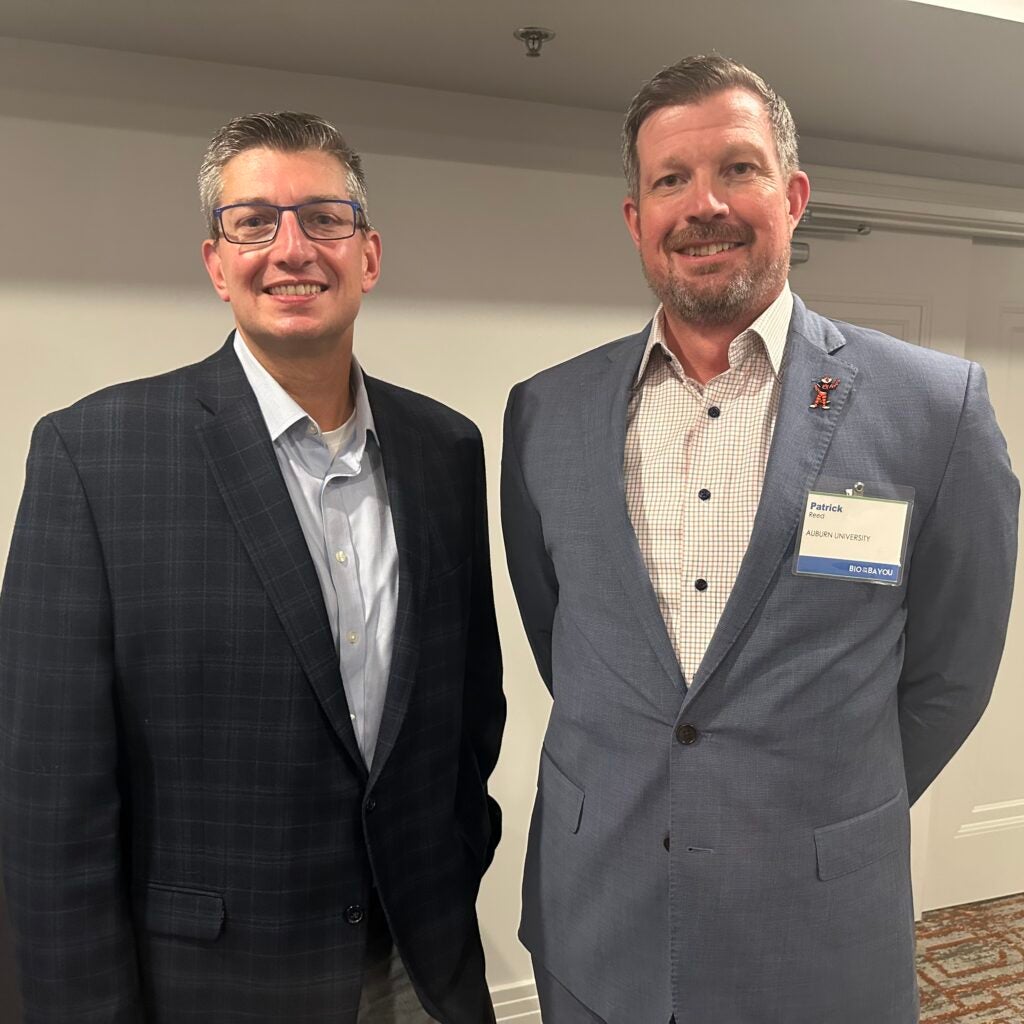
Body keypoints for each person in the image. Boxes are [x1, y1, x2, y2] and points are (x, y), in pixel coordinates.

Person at [501, 55, 1018, 1024]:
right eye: (669, 180)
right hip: (597, 915)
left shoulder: (933, 410)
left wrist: (823, 787)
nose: (703, 205)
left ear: (792, 195)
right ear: (634, 218)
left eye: (736, 169)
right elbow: (562, 635)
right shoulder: (544, 412)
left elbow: (951, 672)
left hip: (817, 927)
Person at [0, 111, 505, 1024]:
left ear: (370, 253)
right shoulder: (95, 456)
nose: (291, 248)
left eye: (324, 217)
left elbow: (472, 708)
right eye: (253, 222)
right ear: (215, 264)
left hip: (424, 968)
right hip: (212, 988)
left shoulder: (446, 448)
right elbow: (48, 803)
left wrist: (455, 856)